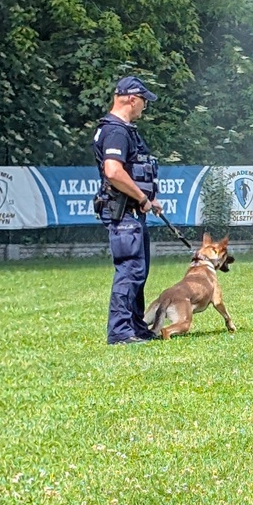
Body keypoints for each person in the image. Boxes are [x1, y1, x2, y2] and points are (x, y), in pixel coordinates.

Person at [92, 75, 164, 343]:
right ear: (132, 99)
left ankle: (136, 328)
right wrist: (141, 198)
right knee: (130, 270)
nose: (145, 106)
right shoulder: (116, 131)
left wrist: (148, 198)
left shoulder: (121, 129)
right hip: (125, 215)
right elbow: (113, 171)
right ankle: (120, 332)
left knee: (138, 270)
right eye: (144, 101)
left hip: (132, 211)